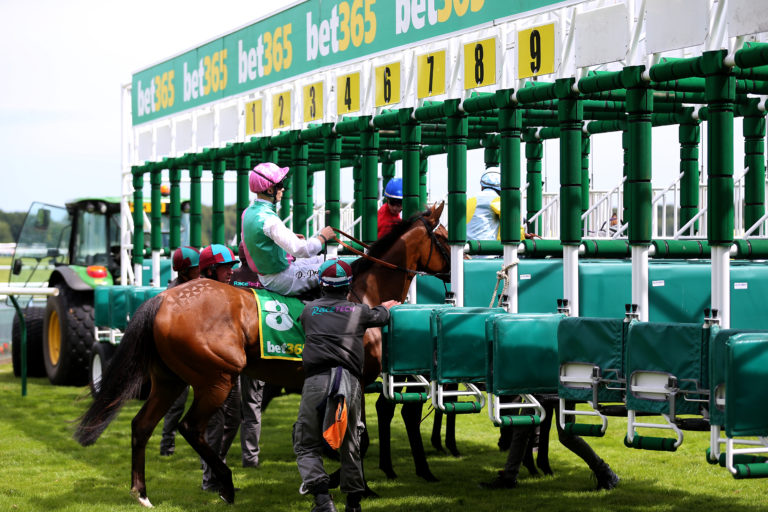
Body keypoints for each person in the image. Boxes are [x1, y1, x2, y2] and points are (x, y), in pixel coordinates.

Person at [294, 259, 399, 512]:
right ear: (348, 286)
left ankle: (322, 500)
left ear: (322, 285)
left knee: (306, 443)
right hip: (350, 383)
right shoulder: (359, 311)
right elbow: (381, 315)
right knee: (351, 442)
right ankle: (353, 505)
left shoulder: (308, 311)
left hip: (316, 382)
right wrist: (385, 307)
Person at [480, 396, 619, 491]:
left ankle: (606, 472)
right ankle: (509, 477)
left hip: (561, 383)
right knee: (522, 428)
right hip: (538, 383)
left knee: (567, 436)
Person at [241, 162, 335, 296]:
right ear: (269, 190)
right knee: (336, 267)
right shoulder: (269, 220)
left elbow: (258, 239)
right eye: (280, 185)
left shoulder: (248, 212)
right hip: (281, 278)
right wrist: (322, 238)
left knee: (332, 258)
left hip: (271, 274)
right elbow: (303, 250)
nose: (283, 189)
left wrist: (285, 238)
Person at [198, 244, 243, 493]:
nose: (231, 271)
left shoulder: (229, 290)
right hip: (211, 373)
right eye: (226, 267)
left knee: (233, 420)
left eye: (232, 266)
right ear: (212, 270)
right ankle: (210, 479)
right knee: (214, 425)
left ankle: (217, 465)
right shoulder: (201, 295)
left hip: (231, 371)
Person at [160, 246, 200, 456]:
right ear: (184, 272)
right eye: (196, 268)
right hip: (179, 358)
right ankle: (167, 445)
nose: (199, 270)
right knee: (177, 404)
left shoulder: (195, 285)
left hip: (196, 354)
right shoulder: (172, 294)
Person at [229, 241, 265, 469]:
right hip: (256, 348)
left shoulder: (229, 278)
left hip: (230, 348)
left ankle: (216, 456)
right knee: (252, 407)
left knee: (226, 408)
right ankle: (250, 459)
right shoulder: (266, 277)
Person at [467, 170, 538, 241]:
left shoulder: (469, 200)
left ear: (482, 186)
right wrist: (522, 235)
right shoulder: (496, 200)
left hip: (465, 246)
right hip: (485, 248)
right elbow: (511, 223)